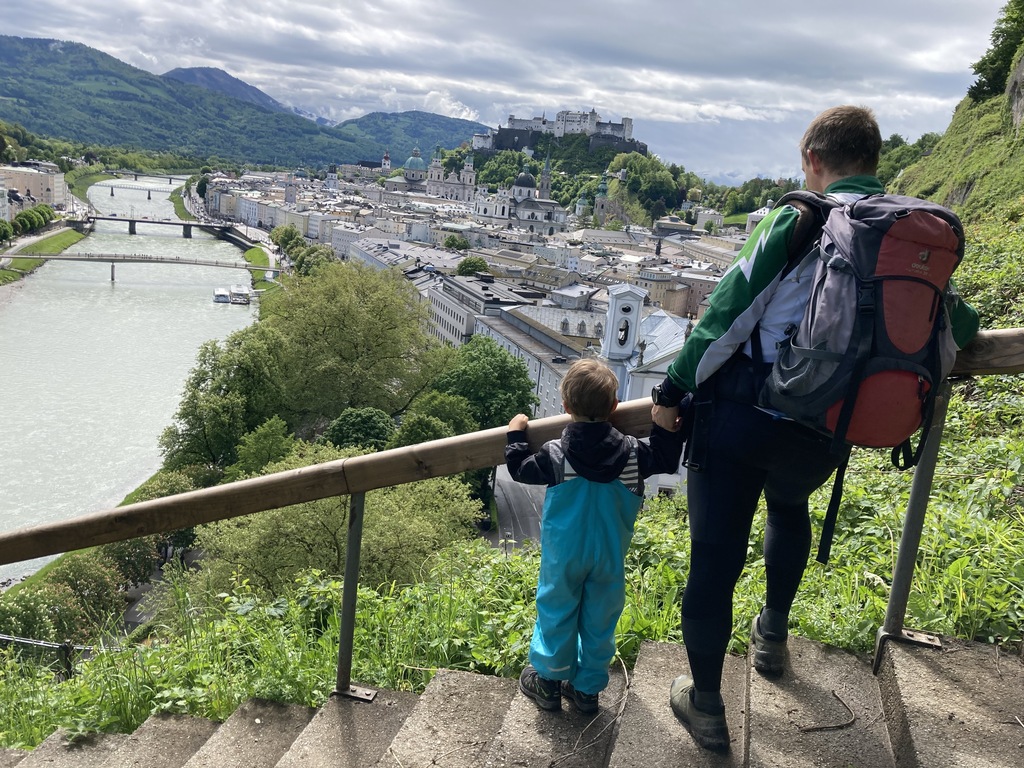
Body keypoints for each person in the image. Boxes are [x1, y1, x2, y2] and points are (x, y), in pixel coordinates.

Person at [650, 105, 980, 751]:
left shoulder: (799, 220)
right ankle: (772, 637)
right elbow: (957, 325)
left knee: (714, 561)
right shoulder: (905, 238)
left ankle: (708, 704)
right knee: (790, 509)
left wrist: (670, 391)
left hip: (742, 420)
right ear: (874, 160)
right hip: (826, 425)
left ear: (812, 159)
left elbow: (726, 314)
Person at [506, 358, 684, 714]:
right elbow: (664, 460)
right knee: (600, 620)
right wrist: (665, 427)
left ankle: (549, 683)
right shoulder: (634, 453)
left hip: (563, 557)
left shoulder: (556, 454)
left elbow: (520, 470)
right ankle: (587, 690)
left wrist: (516, 432)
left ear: (567, 407)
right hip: (608, 556)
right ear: (615, 407)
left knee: (556, 611)